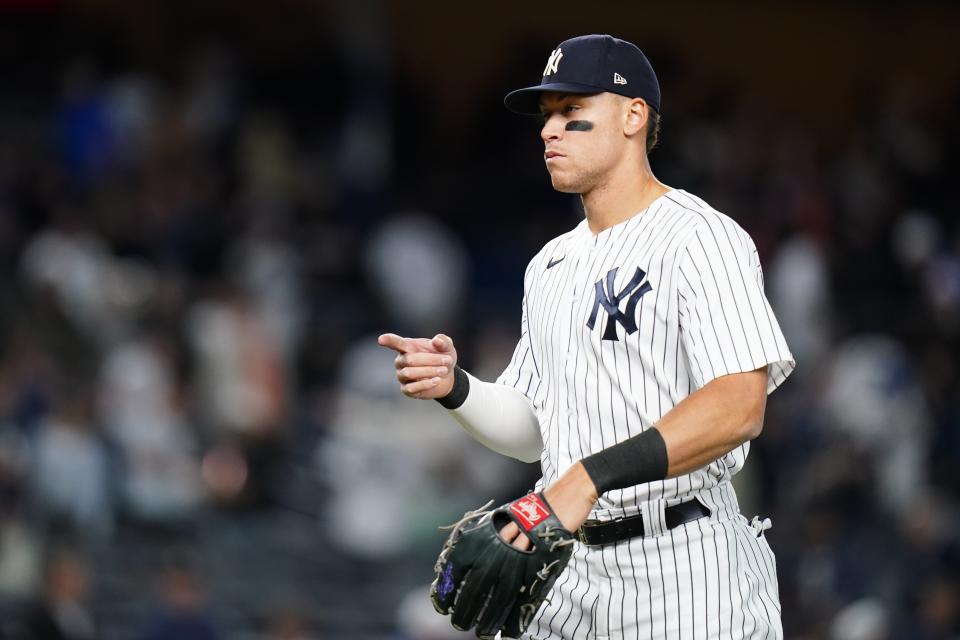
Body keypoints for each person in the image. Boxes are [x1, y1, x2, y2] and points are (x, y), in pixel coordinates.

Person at [379, 34, 794, 639]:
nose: (549, 131)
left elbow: (739, 405)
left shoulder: (700, 236)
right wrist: (457, 388)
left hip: (682, 566)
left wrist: (586, 478)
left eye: (573, 114)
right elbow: (531, 435)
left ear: (633, 116)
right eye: (547, 117)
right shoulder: (550, 264)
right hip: (565, 565)